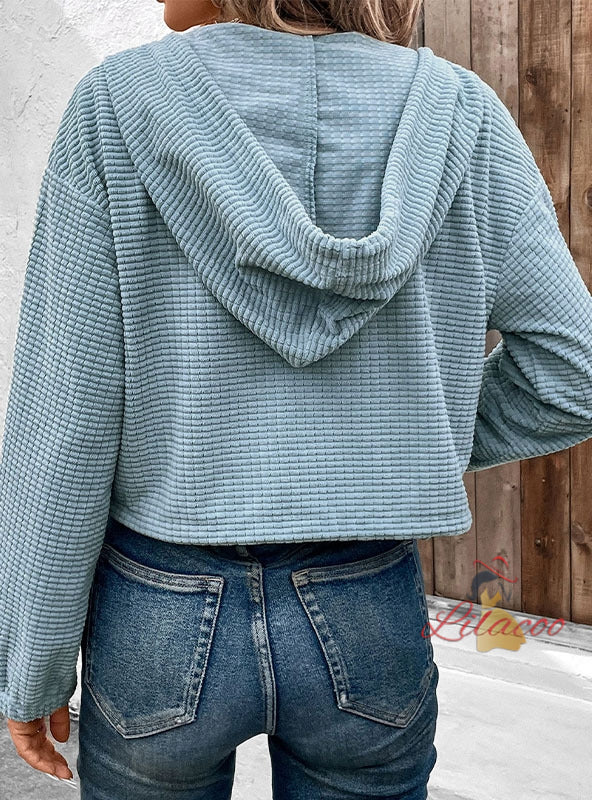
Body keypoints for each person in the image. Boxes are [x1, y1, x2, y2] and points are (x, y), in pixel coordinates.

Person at [1, 1, 592, 798]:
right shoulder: (461, 111)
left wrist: (32, 664)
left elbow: (66, 419)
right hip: (367, 601)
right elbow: (572, 371)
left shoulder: (117, 103)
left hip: (160, 608)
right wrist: (407, 440)